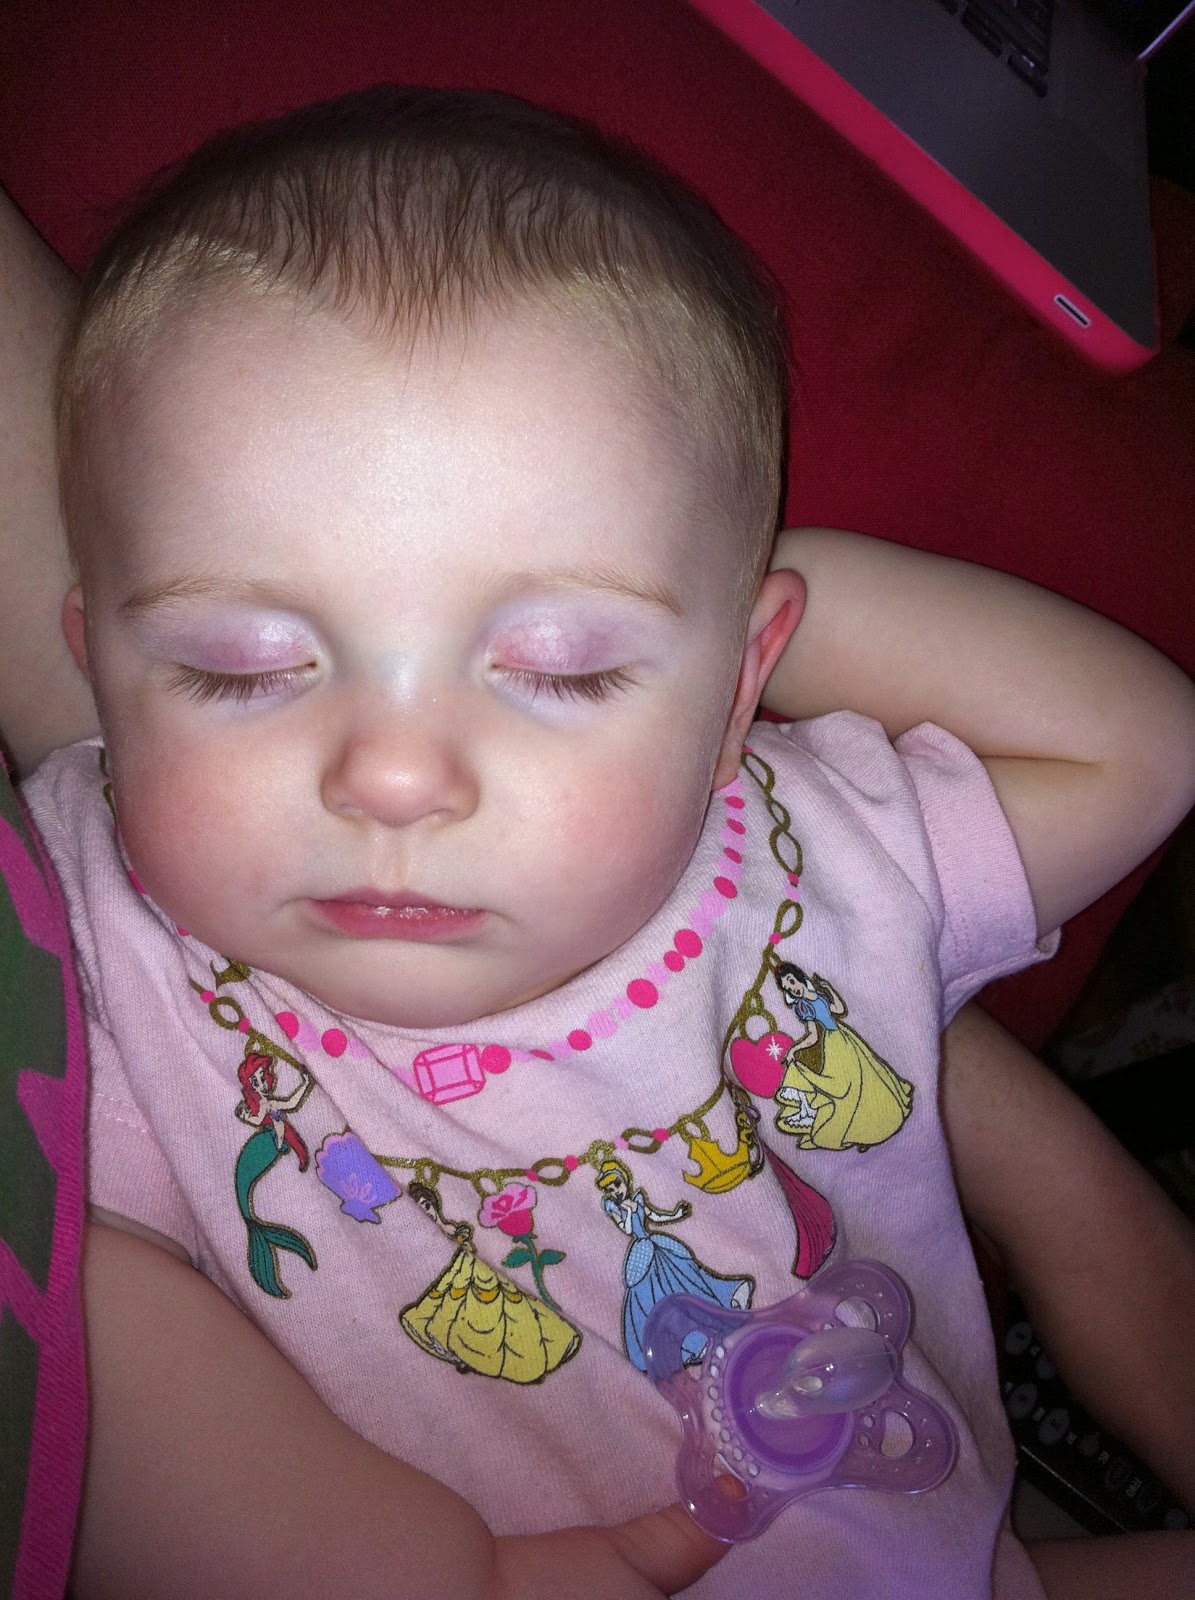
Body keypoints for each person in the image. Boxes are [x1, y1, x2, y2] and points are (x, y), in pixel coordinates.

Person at [1, 87, 1193, 1600]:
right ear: (99, 666)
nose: (393, 777)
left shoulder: (792, 863)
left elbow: (1139, 753)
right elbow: (64, 1314)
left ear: (739, 686)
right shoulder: (91, 948)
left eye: (562, 667)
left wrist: (716, 601)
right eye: (242, 667)